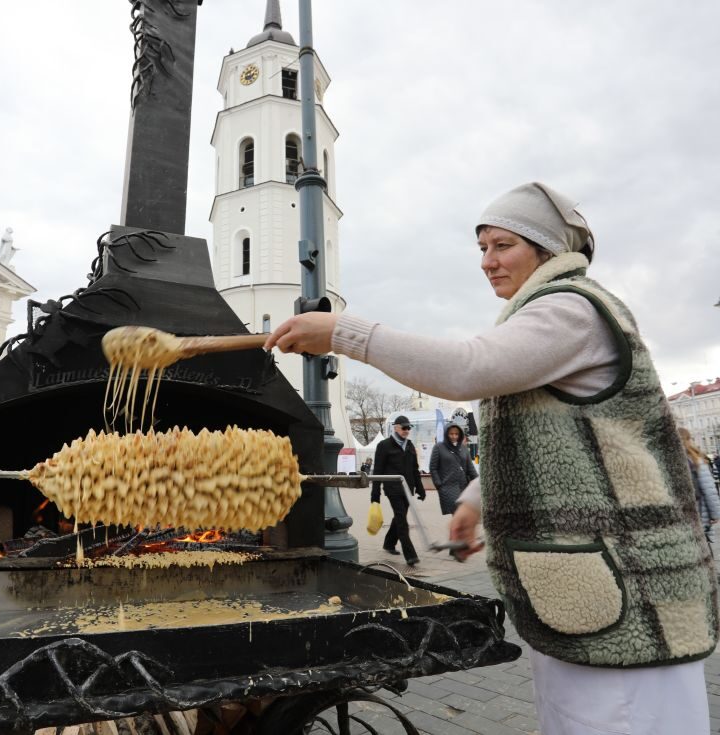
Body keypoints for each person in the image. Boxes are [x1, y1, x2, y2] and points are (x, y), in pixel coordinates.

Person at [265, 182, 718, 734]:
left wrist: (342, 332)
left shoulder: (572, 310)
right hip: (592, 589)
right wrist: (478, 500)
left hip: (628, 588)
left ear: (546, 249)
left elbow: (467, 369)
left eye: (502, 245)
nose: (487, 261)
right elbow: (547, 441)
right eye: (482, 248)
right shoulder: (543, 316)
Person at [370, 415, 425, 566]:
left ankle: (389, 543)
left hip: (408, 489)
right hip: (392, 488)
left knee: (399, 517)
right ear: (396, 427)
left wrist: (420, 489)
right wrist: (375, 494)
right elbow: (378, 470)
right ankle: (410, 555)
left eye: (408, 428)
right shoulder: (384, 445)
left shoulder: (410, 446)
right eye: (404, 428)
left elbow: (415, 469)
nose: (407, 431)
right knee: (402, 519)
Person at [429, 417, 477, 520]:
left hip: (464, 486)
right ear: (446, 434)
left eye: (456, 434)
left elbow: (470, 468)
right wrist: (439, 484)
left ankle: (458, 535)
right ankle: (459, 535)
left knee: (463, 515)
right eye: (451, 434)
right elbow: (433, 468)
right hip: (448, 487)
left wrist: (478, 482)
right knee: (458, 513)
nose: (454, 436)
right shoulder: (439, 447)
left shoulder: (464, 448)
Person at [681, 427, 720, 543]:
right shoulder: (696, 460)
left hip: (683, 517)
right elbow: (709, 490)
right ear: (688, 439)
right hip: (700, 512)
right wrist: (715, 514)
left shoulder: (672, 462)